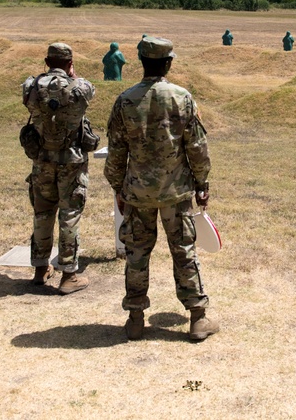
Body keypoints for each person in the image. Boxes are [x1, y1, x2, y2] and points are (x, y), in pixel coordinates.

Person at [104, 36, 219, 342]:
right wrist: (202, 184)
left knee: (137, 254)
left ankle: (135, 319)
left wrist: (118, 186)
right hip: (176, 193)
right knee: (183, 251)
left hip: (138, 193)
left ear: (142, 62)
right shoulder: (182, 98)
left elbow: (116, 150)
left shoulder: (125, 100)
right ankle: (197, 317)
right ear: (168, 63)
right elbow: (197, 146)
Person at [22, 42, 96, 294]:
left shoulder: (30, 86)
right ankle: (69, 275)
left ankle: (40, 269)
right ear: (69, 63)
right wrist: (72, 76)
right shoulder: (80, 87)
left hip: (42, 161)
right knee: (69, 215)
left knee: (42, 215)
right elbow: (88, 90)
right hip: (71, 163)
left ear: (46, 61)